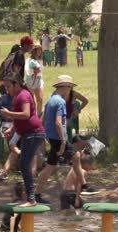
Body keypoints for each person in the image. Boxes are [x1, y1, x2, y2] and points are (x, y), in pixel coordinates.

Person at [34, 75, 85, 204]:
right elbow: (58, 123)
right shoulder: (61, 102)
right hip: (58, 138)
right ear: (65, 87)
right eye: (69, 87)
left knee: (49, 167)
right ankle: (84, 185)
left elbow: (42, 120)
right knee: (77, 156)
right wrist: (63, 142)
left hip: (52, 137)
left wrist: (43, 135)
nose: (70, 90)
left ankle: (37, 194)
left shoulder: (50, 100)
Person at [0, 72, 45, 207]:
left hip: (33, 133)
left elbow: (26, 114)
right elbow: (21, 118)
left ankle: (31, 199)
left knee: (24, 164)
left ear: (17, 84)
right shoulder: (17, 97)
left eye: (8, 87)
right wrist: (12, 129)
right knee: (24, 164)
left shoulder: (23, 95)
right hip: (28, 133)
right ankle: (29, 197)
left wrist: (8, 113)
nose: (7, 90)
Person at [25, 44, 44, 115]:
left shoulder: (40, 60)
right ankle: (33, 115)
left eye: (40, 50)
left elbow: (40, 71)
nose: (39, 52)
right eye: (38, 50)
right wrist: (34, 71)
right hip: (31, 81)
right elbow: (27, 71)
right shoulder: (28, 60)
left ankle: (39, 115)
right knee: (32, 100)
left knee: (40, 99)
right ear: (34, 51)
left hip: (39, 80)